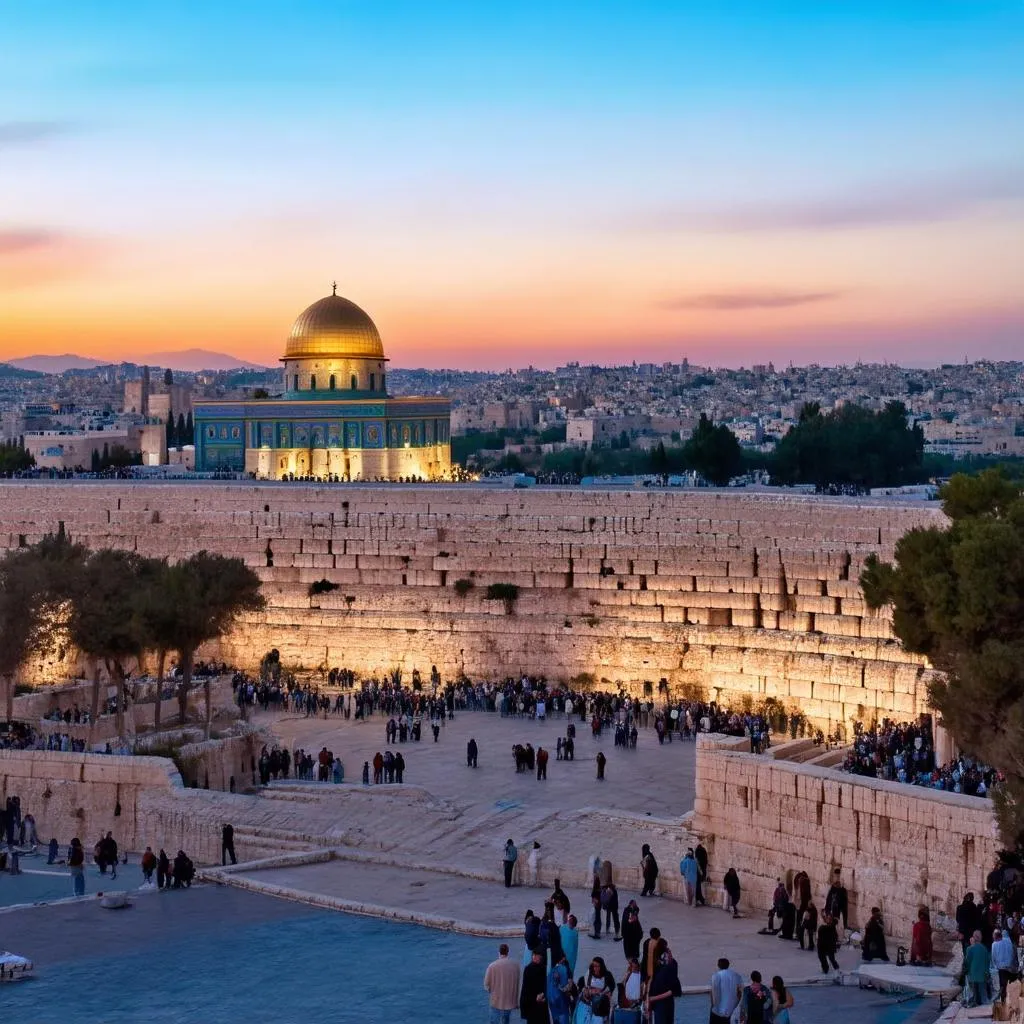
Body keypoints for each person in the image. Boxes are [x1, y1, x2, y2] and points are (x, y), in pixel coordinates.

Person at [484, 943, 521, 1024]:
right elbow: (518, 983)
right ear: (508, 952)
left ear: (499, 952)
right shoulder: (516, 965)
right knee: (506, 1021)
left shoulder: (492, 966)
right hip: (509, 1002)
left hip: (496, 1002)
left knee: (494, 1022)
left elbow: (486, 985)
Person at [645, 941, 681, 1024]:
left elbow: (672, 991)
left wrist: (652, 998)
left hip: (662, 1003)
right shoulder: (664, 966)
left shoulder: (667, 967)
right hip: (661, 1003)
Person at [577, 956, 614, 1024]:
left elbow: (612, 986)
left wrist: (607, 993)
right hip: (589, 1003)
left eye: (597, 966)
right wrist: (586, 990)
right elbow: (582, 985)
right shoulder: (589, 974)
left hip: (601, 1004)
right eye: (594, 966)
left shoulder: (607, 975)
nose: (595, 968)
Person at [710, 956, 744, 1024]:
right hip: (730, 1011)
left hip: (717, 1011)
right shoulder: (737, 976)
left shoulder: (716, 976)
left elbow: (713, 993)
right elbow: (740, 992)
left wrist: (713, 1005)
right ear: (728, 965)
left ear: (718, 965)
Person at [962, 930, 991, 1008]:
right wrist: (987, 973)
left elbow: (967, 962)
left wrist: (965, 971)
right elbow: (988, 962)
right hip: (982, 976)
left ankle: (974, 1002)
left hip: (972, 976)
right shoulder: (984, 949)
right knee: (983, 996)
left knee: (973, 994)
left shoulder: (970, 949)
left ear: (974, 937)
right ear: (980, 938)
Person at [520, 948, 548, 1024]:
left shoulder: (528, 969)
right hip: (543, 1003)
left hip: (532, 1004)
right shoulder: (544, 968)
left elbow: (525, 989)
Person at [992, 928, 1018, 1001]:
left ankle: (1003, 1001)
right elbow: (1013, 955)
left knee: (1003, 986)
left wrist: (996, 966)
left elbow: (993, 957)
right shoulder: (1011, 943)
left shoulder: (994, 944)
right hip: (1010, 967)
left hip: (1001, 968)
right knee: (1011, 986)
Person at [547, 954, 573, 1024]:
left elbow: (567, 986)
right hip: (556, 998)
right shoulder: (556, 968)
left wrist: (559, 986)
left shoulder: (563, 968)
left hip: (560, 998)